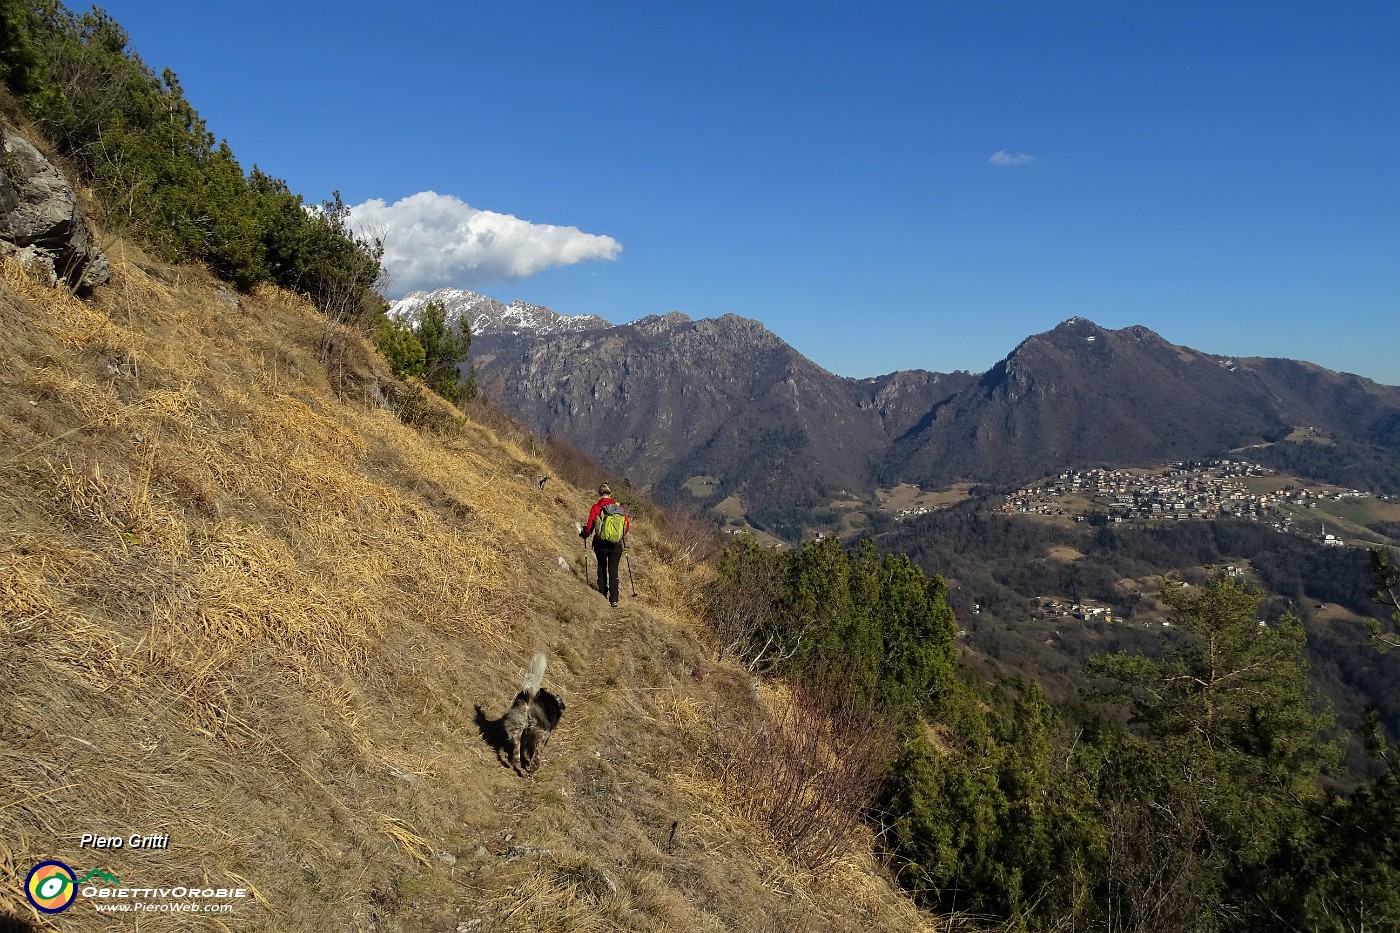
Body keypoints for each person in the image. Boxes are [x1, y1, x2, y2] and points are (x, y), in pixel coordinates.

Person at [580, 483, 629, 608]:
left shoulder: (596, 507)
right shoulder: (618, 507)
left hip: (600, 543)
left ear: (599, 494)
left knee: (601, 566)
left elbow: (591, 524)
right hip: (615, 544)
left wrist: (585, 534)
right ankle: (614, 599)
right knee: (613, 570)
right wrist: (619, 535)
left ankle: (602, 594)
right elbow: (626, 525)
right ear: (610, 493)